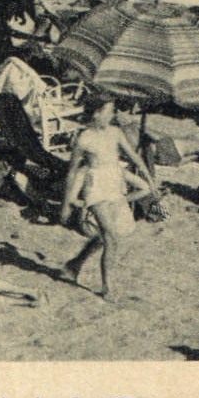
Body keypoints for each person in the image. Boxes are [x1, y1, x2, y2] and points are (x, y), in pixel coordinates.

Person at [60, 96, 154, 299]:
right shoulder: (84, 138)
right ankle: (107, 288)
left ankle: (74, 264)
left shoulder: (115, 132)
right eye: (109, 111)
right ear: (97, 113)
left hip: (115, 183)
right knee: (111, 238)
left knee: (105, 236)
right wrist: (66, 204)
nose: (113, 115)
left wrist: (148, 178)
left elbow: (134, 156)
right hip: (95, 187)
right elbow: (72, 172)